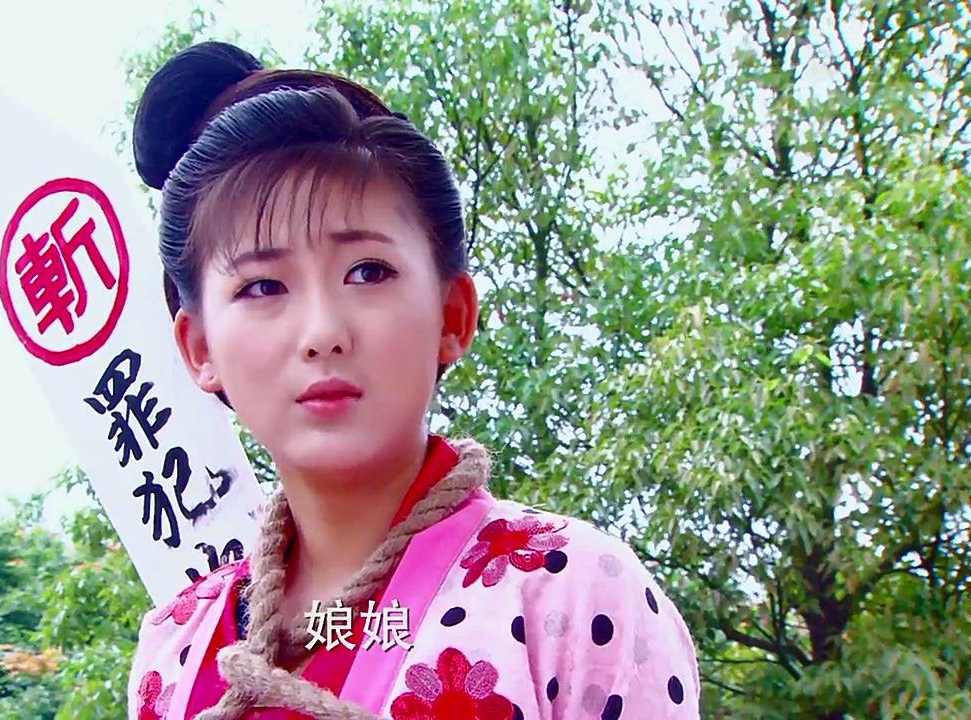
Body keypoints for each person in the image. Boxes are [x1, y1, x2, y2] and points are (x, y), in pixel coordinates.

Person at [126, 41, 700, 720]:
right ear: (199, 348)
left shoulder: (569, 591)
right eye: (263, 286)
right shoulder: (177, 643)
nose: (322, 332)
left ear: (451, 314)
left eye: (368, 272)